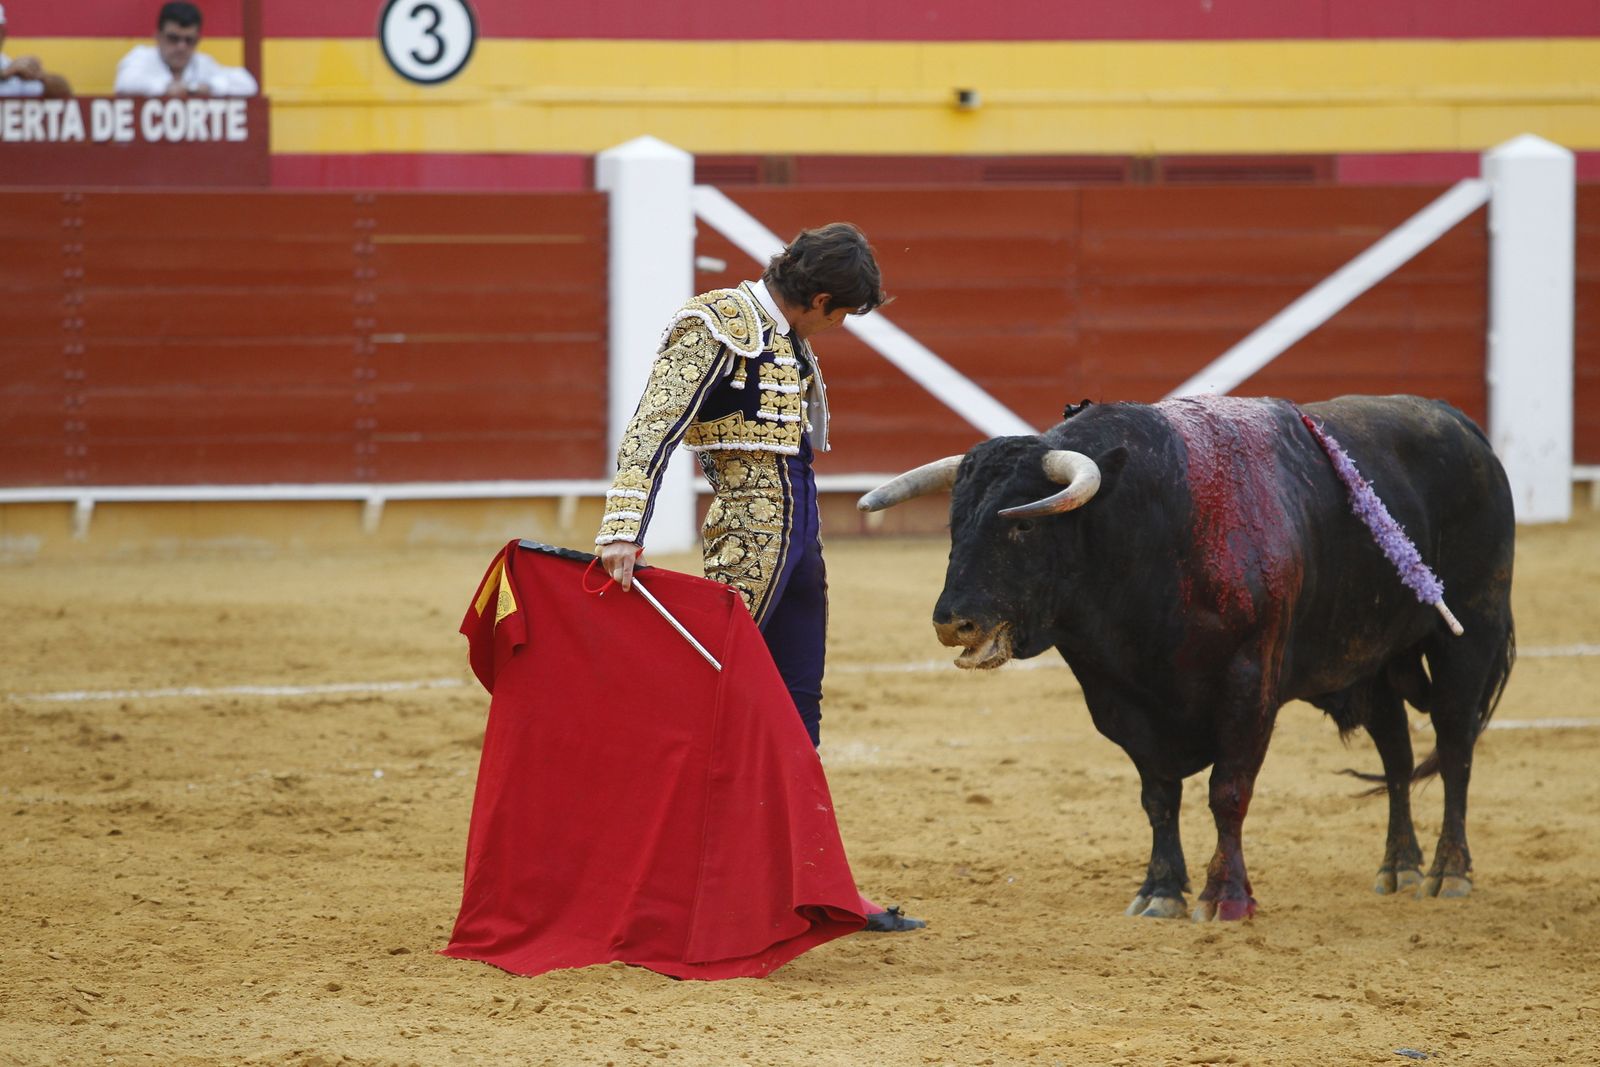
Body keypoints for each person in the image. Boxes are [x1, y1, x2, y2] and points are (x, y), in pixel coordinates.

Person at [596, 222, 925, 934]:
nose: (839, 328)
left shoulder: (787, 335)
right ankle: (679, 886)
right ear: (821, 297)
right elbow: (652, 426)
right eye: (842, 314)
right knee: (718, 704)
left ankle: (809, 882)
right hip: (750, 532)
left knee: (798, 709)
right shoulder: (717, 323)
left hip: (800, 530)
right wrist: (624, 526)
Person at [114, 2, 257, 98]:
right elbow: (125, 82)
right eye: (173, 38)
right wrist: (165, 88)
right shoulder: (141, 57)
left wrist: (209, 87)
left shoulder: (203, 63)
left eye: (189, 40)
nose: (181, 47)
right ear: (157, 36)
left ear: (198, 40)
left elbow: (248, 84)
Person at [0, 5, 72, 98]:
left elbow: (64, 94)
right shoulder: (8, 70)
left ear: (3, 34)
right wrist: (4, 74)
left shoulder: (9, 67)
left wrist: (40, 76)